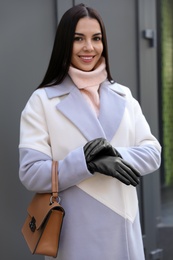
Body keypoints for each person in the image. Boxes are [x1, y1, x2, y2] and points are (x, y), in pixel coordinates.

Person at [19, 3, 161, 260]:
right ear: (65, 43)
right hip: (76, 238)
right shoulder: (41, 101)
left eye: (96, 38)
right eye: (78, 39)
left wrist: (112, 156)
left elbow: (152, 152)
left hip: (124, 234)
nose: (89, 47)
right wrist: (85, 162)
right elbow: (30, 173)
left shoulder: (124, 95)